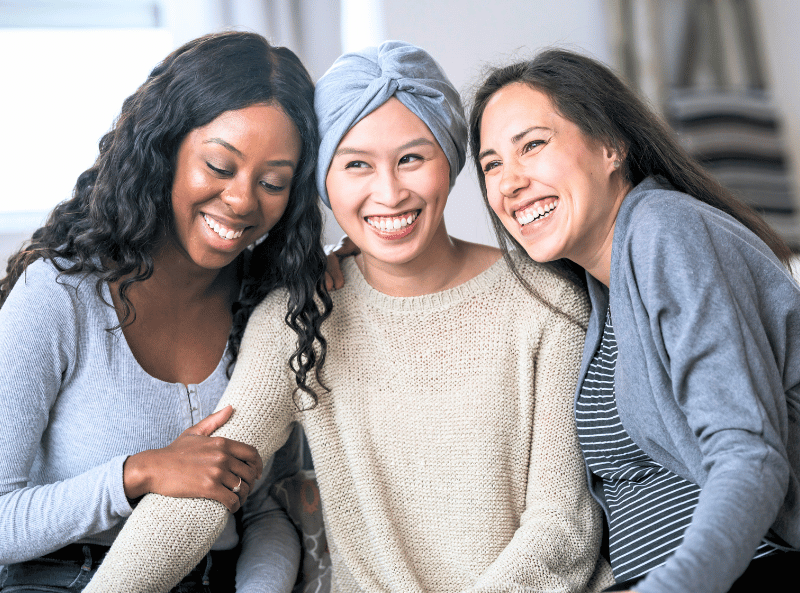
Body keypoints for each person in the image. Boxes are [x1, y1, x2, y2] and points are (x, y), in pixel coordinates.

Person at [81, 41, 614, 593]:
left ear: (451, 162)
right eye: (356, 164)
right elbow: (197, 499)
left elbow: (561, 532)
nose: (388, 192)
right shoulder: (299, 318)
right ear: (323, 185)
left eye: (412, 158)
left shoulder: (547, 302)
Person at [0, 31, 331, 592]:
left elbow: (261, 513)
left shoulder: (272, 310)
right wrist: (140, 472)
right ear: (165, 148)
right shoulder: (60, 294)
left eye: (272, 182)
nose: (243, 200)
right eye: (220, 167)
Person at [469, 48, 800, 593]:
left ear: (610, 146)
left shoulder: (664, 231)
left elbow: (749, 456)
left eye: (532, 145)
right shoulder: (600, 287)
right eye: (491, 164)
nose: (509, 182)